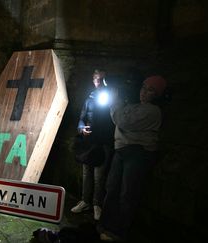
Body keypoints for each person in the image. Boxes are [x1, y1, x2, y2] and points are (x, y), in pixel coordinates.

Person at [98, 76, 167, 241]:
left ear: (157, 95)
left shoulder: (153, 111)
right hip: (122, 151)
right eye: (144, 87)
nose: (144, 92)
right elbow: (121, 120)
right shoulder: (134, 106)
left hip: (138, 154)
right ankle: (105, 225)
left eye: (150, 90)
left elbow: (122, 120)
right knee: (112, 188)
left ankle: (118, 232)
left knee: (127, 194)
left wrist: (115, 100)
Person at [71, 69, 115, 220]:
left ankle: (97, 204)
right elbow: (82, 117)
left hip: (103, 143)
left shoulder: (112, 97)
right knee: (86, 174)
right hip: (88, 144)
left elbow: (113, 120)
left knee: (99, 176)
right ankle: (85, 201)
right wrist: (82, 128)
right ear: (93, 80)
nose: (99, 83)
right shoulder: (90, 97)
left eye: (102, 79)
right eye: (97, 79)